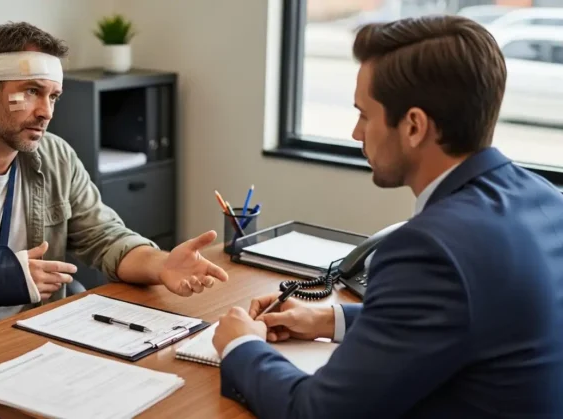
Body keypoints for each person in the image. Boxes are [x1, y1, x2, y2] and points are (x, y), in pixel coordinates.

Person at [0, 22, 228, 417]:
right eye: (32, 92)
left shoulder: (56, 157)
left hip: (35, 345)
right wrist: (4, 275)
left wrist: (162, 263)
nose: (47, 112)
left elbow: (104, 237)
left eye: (53, 95)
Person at [212, 14, 563, 419]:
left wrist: (241, 346)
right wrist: (329, 319)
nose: (356, 133)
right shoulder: (543, 198)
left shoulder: (427, 249)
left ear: (414, 126)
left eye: (364, 114)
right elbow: (466, 318)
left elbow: (316, 412)